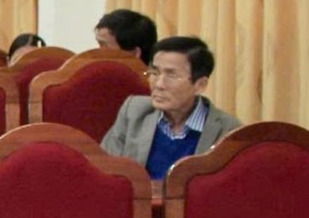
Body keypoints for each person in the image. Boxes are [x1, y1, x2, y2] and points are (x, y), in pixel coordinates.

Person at [101, 36, 241, 180]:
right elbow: (106, 168)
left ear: (200, 85)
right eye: (154, 73)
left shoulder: (226, 130)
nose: (159, 84)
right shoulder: (134, 111)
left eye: (171, 75)